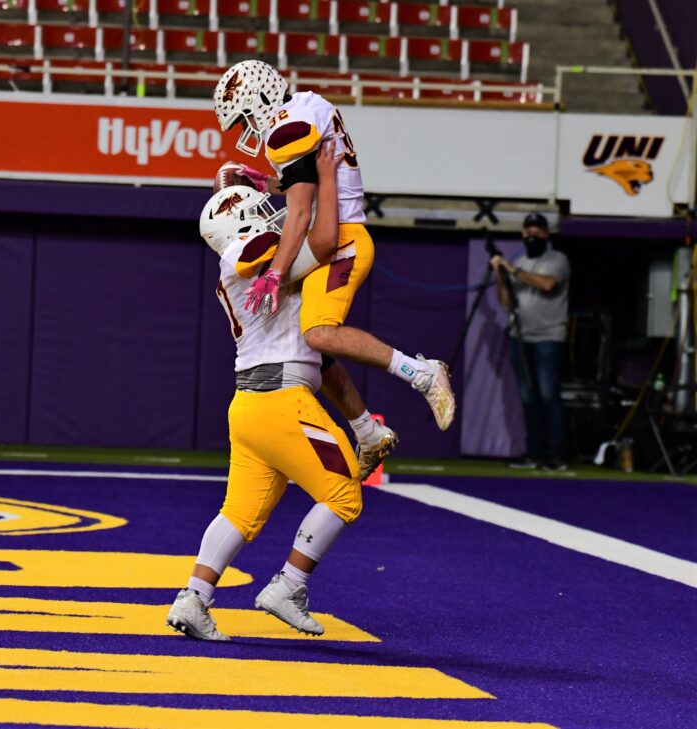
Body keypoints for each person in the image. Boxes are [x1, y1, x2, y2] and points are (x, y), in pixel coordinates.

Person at [166, 144, 369, 641]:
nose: (266, 214)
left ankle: (193, 598)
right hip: (282, 399)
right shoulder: (246, 254)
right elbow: (320, 242)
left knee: (238, 512)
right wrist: (322, 177)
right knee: (344, 494)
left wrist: (254, 184)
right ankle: (289, 585)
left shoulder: (239, 252)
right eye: (255, 212)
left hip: (251, 405)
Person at [212, 60, 456, 432]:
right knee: (306, 339)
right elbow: (306, 183)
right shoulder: (307, 104)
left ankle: (422, 373)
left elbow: (298, 215)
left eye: (245, 119)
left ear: (260, 98)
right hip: (338, 232)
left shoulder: (284, 132)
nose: (247, 130)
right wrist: (268, 185)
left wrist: (276, 271)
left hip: (340, 240)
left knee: (316, 332)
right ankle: (367, 431)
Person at [490, 212, 570, 471]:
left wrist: (512, 270)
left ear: (546, 234)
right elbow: (506, 304)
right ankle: (534, 453)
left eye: (538, 231)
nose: (532, 234)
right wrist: (501, 277)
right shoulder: (520, 261)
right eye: (528, 230)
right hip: (520, 336)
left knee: (548, 395)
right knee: (528, 398)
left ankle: (555, 454)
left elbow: (547, 284)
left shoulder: (557, 260)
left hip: (548, 336)